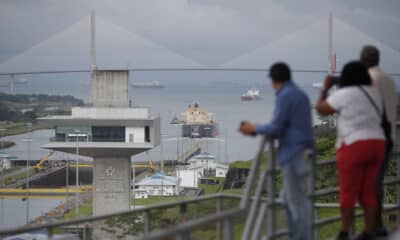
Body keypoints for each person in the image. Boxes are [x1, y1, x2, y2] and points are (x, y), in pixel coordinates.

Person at [240, 62, 314, 240]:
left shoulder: (285, 95)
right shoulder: (300, 94)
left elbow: (277, 127)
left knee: (296, 204)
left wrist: (254, 128)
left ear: (274, 81)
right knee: (289, 201)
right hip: (304, 151)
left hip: (294, 154)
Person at [316, 61, 386, 240]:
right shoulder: (375, 93)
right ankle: (370, 232)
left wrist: (325, 88)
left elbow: (321, 109)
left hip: (354, 145)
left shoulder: (344, 94)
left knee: (348, 192)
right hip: (377, 144)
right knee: (368, 191)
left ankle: (345, 232)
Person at [360, 45, 397, 237]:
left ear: (364, 60)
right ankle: (377, 224)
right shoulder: (390, 80)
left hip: (373, 138)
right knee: (377, 182)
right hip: (389, 137)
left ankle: (373, 226)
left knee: (370, 184)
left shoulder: (368, 80)